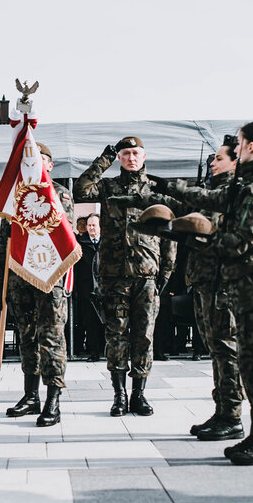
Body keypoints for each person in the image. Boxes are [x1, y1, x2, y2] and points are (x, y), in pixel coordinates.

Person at [155, 121, 253, 465]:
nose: (237, 147)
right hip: (245, 284)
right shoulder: (245, 184)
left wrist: (185, 236)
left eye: (241, 143)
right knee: (248, 359)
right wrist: (167, 186)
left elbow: (241, 242)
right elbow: (210, 196)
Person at [74, 136, 168, 417]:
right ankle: (119, 395)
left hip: (147, 275)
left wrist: (167, 272)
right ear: (120, 158)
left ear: (144, 155)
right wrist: (103, 160)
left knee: (144, 338)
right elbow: (82, 188)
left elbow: (168, 230)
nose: (130, 158)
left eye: (135, 153)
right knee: (116, 337)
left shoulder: (156, 187)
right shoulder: (108, 186)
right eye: (125, 154)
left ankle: (139, 394)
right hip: (114, 276)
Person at [0, 143, 74, 427]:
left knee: (51, 337)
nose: (34, 165)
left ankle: (53, 398)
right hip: (20, 276)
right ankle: (31, 396)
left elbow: (61, 233)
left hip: (50, 277)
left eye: (40, 161)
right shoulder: (14, 197)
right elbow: (4, 243)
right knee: (27, 337)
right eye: (29, 161)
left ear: (49, 166)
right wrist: (0, 284)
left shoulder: (59, 194)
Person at [184, 137, 246, 441]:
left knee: (227, 348)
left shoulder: (233, 191)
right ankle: (222, 411)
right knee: (216, 349)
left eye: (218, 159)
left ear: (234, 162)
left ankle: (232, 415)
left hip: (224, 283)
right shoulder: (213, 191)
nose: (212, 163)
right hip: (205, 281)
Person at [73, 214, 103, 361]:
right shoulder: (80, 244)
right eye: (89, 225)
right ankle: (94, 352)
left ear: (99, 227)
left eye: (94, 225)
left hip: (105, 289)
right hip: (87, 289)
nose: (91, 228)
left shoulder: (107, 243)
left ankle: (107, 351)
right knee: (90, 322)